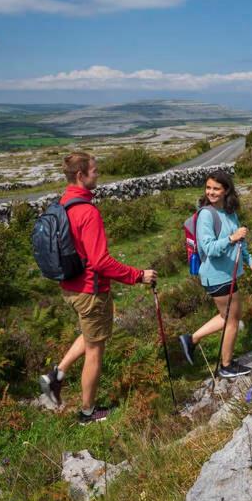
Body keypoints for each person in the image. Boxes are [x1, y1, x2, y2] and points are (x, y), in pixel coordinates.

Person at [39, 152, 157, 424]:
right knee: (95, 349)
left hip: (70, 287)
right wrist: (138, 276)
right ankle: (88, 412)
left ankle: (55, 375)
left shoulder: (64, 203)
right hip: (90, 291)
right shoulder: (87, 212)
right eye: (94, 171)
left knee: (88, 333)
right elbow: (101, 262)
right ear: (80, 175)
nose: (98, 174)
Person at [178, 170, 252, 378]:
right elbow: (209, 249)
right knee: (232, 320)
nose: (211, 192)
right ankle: (226, 366)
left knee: (228, 317)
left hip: (228, 273)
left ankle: (191, 339)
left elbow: (241, 241)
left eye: (216, 188)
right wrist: (231, 238)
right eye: (208, 188)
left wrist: (249, 261)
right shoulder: (207, 214)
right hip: (216, 275)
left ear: (226, 191)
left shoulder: (230, 211)